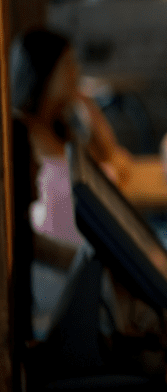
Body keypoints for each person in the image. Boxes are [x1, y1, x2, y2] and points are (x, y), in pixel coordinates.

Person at [10, 27, 129, 246]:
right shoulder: (23, 134)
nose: (76, 72)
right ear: (44, 73)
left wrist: (84, 102)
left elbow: (112, 155)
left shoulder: (61, 126)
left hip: (88, 245)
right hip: (61, 256)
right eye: (67, 66)